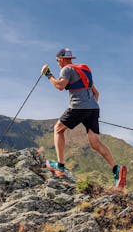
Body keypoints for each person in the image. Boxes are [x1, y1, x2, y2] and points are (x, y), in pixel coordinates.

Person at [41, 48, 127, 189]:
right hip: (93, 108)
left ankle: (60, 166)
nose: (58, 64)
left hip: (78, 107)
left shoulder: (66, 69)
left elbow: (60, 86)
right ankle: (116, 169)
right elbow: (96, 93)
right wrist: (89, 111)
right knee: (95, 143)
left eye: (57, 61)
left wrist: (48, 74)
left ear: (62, 59)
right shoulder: (84, 71)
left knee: (58, 129)